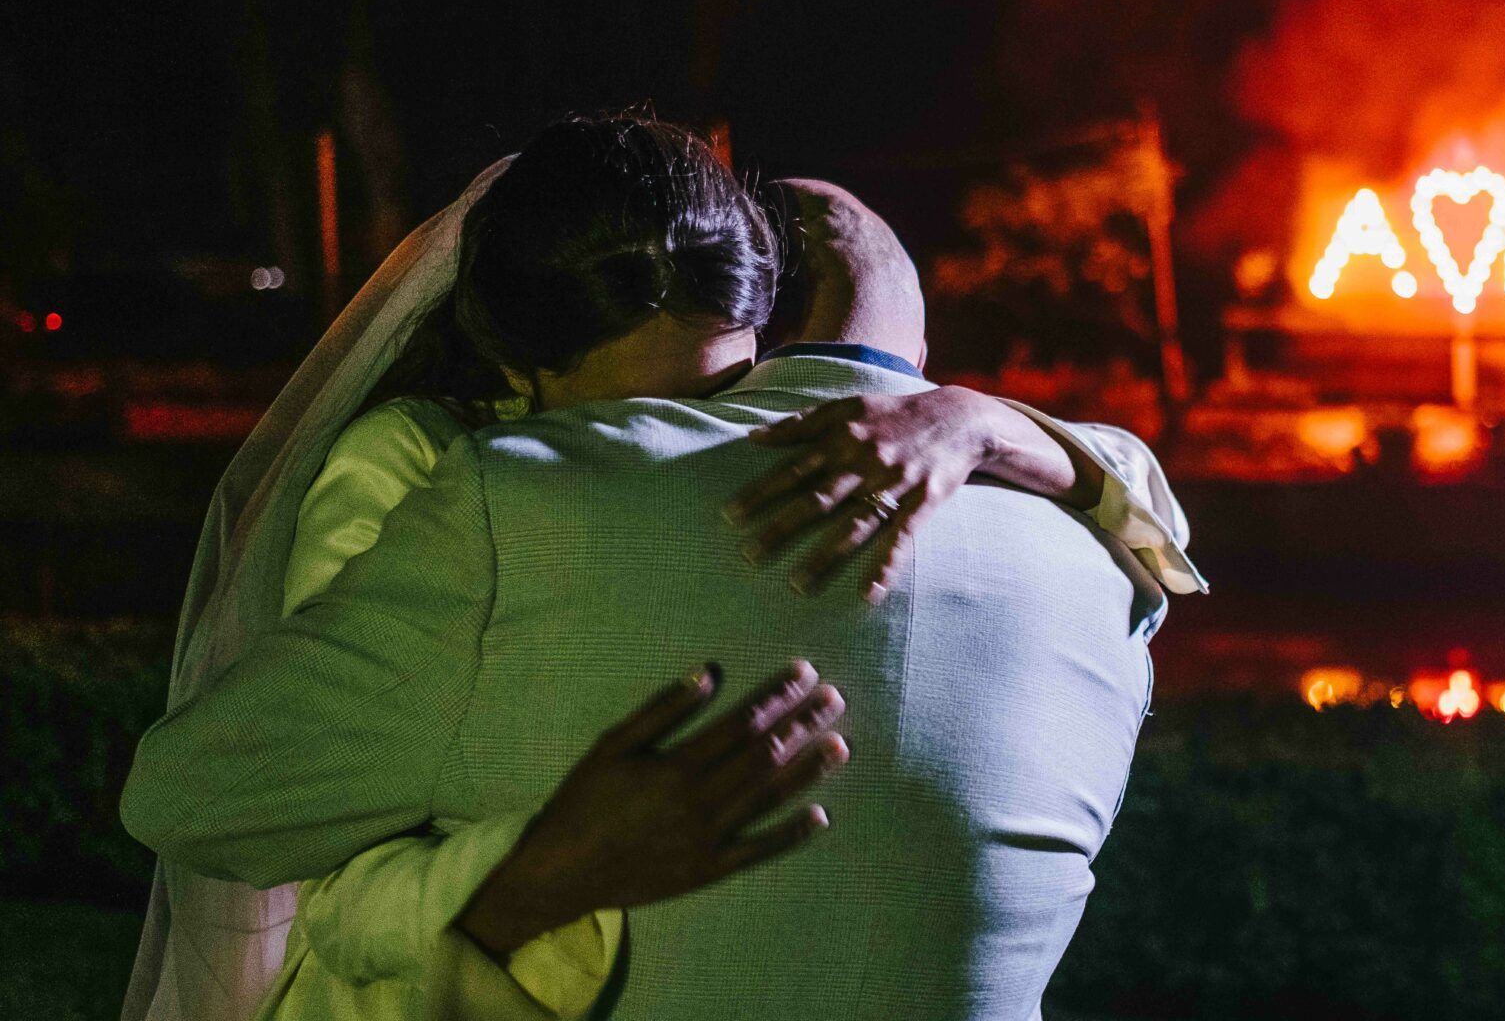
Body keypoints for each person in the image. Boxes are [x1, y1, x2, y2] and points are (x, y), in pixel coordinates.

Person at [122, 114, 1201, 1018]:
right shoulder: (436, 474)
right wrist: (547, 862)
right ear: (513, 359)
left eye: (718, 394)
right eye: (637, 416)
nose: (678, 449)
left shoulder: (888, 462)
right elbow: (320, 875)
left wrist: (974, 421)